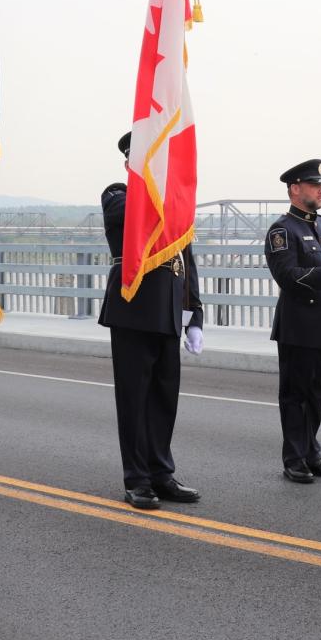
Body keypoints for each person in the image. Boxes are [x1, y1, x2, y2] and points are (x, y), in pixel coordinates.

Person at [98, 132, 204, 510]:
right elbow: (132, 218)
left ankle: (162, 472)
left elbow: (186, 261)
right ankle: (137, 479)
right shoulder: (119, 194)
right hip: (134, 309)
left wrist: (196, 315)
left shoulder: (172, 202)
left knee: (163, 399)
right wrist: (158, 185)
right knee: (134, 399)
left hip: (169, 312)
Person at [265, 159, 321, 484]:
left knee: (317, 393)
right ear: (295, 189)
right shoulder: (282, 230)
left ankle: (311, 451)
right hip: (300, 325)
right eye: (315, 185)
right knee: (295, 394)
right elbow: (287, 276)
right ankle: (294, 457)